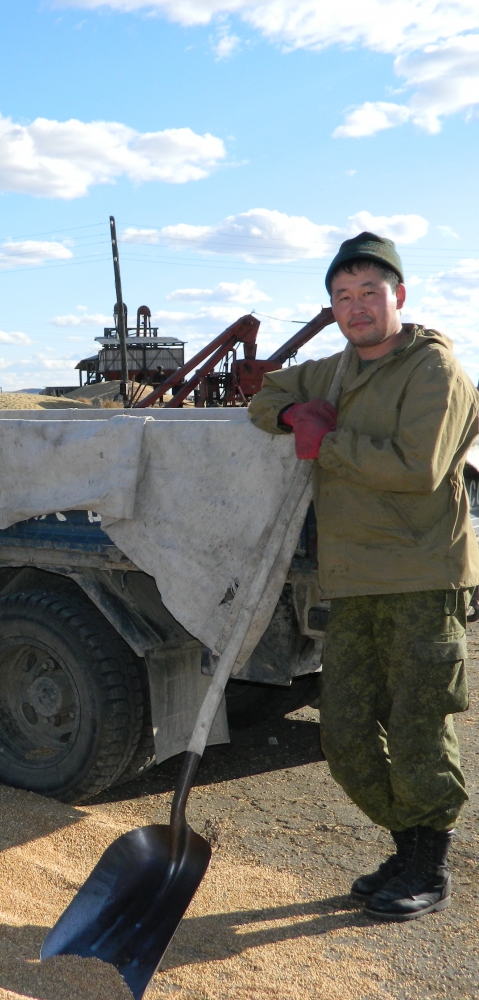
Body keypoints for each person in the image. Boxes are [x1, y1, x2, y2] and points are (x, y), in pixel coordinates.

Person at [249, 232, 479, 921]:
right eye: (342, 297)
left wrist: (329, 443)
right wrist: (293, 411)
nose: (356, 308)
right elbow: (266, 396)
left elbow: (418, 469)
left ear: (398, 297)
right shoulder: (336, 370)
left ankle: (427, 862)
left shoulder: (433, 371)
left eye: (369, 293)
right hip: (352, 581)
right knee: (344, 730)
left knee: (417, 724)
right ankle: (407, 840)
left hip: (420, 576)